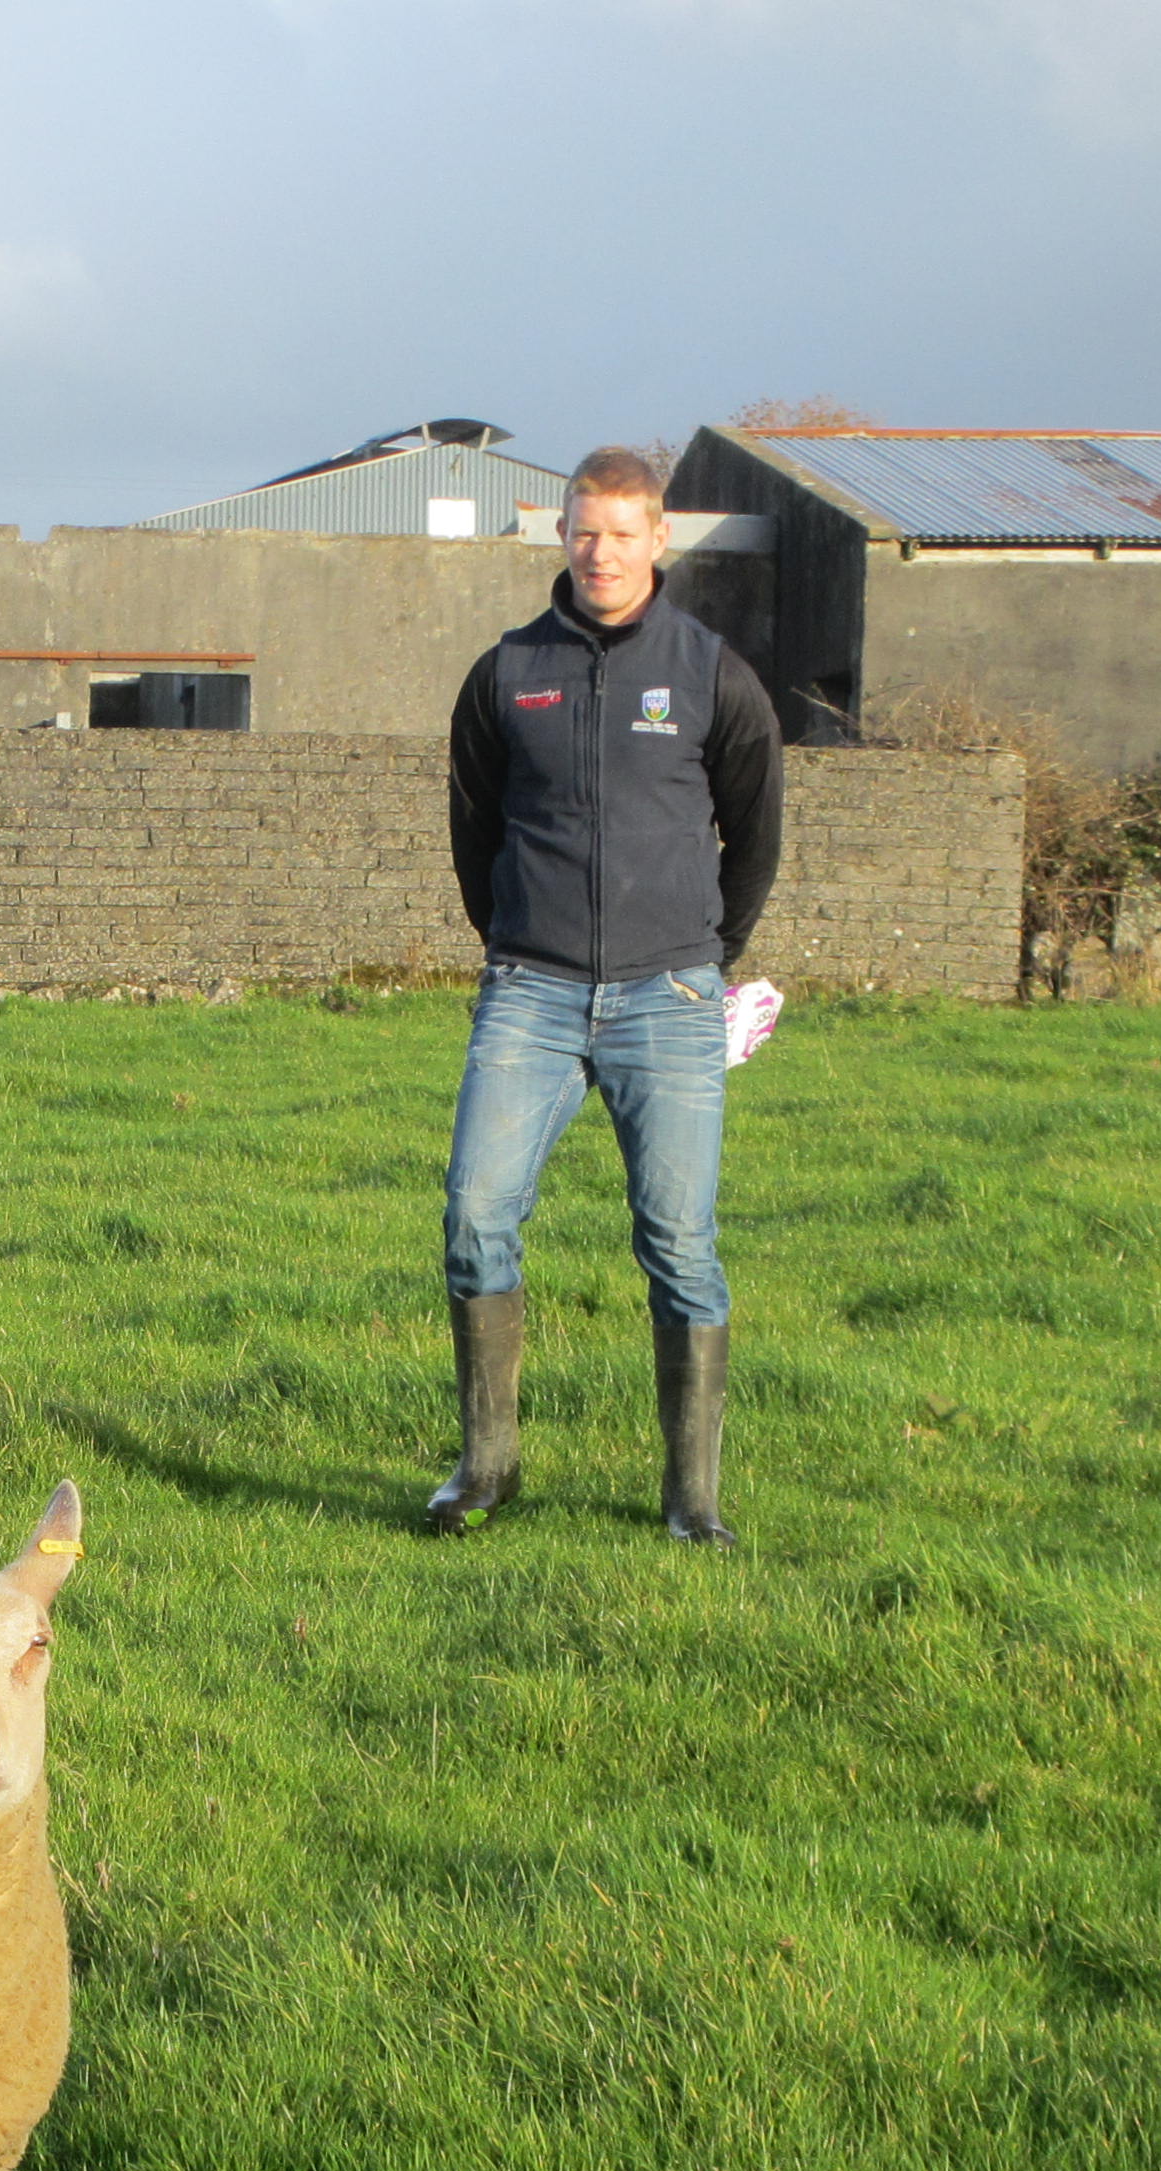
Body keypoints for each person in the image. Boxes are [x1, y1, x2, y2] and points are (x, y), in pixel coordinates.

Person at [429, 444, 783, 1545]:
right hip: (528, 993)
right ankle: (484, 1471)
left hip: (667, 995)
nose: (601, 552)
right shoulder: (505, 672)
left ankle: (691, 1503)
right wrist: (514, 937)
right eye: (584, 531)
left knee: (678, 1240)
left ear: (657, 540)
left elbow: (755, 824)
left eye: (622, 533)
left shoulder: (709, 669)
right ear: (561, 536)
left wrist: (703, 952)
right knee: (474, 1214)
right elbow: (472, 824)